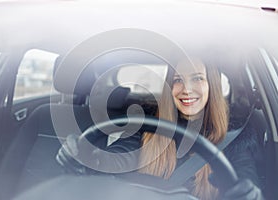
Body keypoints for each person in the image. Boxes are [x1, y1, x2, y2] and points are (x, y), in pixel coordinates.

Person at [56, 58, 264, 200]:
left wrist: (248, 195)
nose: (186, 89)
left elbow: (244, 178)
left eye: (197, 78)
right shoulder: (147, 123)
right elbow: (120, 156)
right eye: (177, 80)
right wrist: (88, 157)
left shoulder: (235, 135)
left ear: (213, 84)